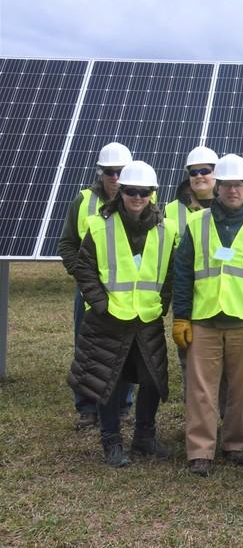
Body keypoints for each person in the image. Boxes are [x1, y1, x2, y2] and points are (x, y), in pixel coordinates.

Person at [171, 154, 243, 477]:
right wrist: (181, 317)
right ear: (217, 187)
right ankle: (200, 450)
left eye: (239, 185)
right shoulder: (196, 224)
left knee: (240, 389)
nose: (233, 190)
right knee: (201, 390)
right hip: (204, 319)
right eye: (227, 185)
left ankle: (236, 444)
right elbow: (183, 275)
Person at [68, 161, 175, 466]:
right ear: (121, 192)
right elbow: (84, 268)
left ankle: (144, 437)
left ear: (152, 193)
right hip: (109, 320)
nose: (137, 197)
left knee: (153, 380)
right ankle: (111, 441)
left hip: (147, 319)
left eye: (144, 191)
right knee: (108, 382)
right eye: (131, 191)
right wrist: (100, 305)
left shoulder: (166, 230)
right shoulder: (101, 226)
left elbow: (169, 274)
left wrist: (161, 304)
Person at [58, 141, 134, 430]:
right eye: (110, 172)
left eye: (120, 172)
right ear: (101, 173)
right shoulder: (83, 201)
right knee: (88, 349)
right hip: (90, 291)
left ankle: (124, 405)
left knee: (126, 349)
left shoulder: (140, 197)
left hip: (128, 292)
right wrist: (82, 276)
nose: (115, 178)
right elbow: (67, 244)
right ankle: (87, 408)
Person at [164, 146, 219, 398]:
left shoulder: (229, 206)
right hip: (187, 296)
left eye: (205, 171)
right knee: (190, 360)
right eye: (193, 172)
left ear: (216, 174)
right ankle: (194, 416)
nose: (199, 176)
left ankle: (221, 419)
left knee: (222, 366)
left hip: (219, 297)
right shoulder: (171, 210)